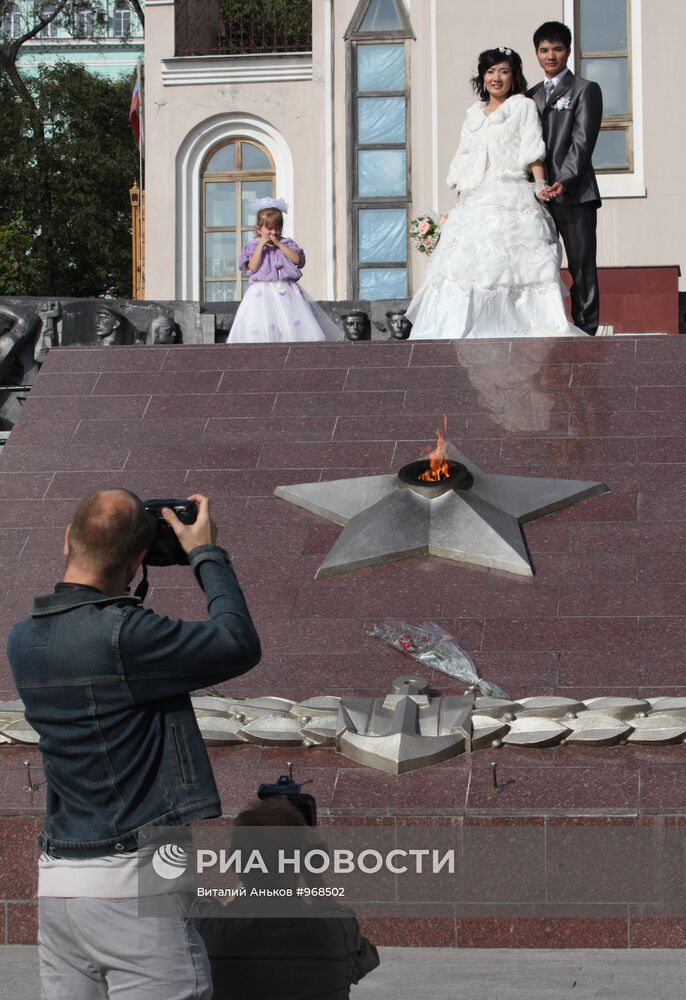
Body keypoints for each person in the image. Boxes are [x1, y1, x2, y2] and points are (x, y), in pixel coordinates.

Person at [7, 490, 261, 1000]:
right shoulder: (127, 636)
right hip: (133, 887)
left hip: (60, 885)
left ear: (66, 541)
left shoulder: (22, 639)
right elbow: (238, 642)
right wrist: (205, 553)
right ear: (139, 560)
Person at [407, 47, 582, 340]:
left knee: (513, 269)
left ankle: (512, 330)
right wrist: (459, 204)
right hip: (475, 199)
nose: (496, 78)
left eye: (503, 71)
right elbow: (465, 159)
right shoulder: (473, 114)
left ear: (513, 76)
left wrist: (540, 185)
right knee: (464, 269)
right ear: (482, 77)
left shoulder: (522, 107)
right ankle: (460, 332)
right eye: (490, 72)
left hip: (511, 192)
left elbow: (532, 149)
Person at [193, 799, 380, 1000]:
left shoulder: (204, 926)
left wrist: (250, 869)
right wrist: (313, 874)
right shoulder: (340, 930)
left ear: (233, 860)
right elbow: (366, 961)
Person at [529, 21, 603, 335]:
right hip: (539, 198)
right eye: (544, 50)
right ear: (536, 53)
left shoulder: (585, 90)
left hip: (575, 194)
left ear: (568, 51)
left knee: (581, 266)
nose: (551, 55)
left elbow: (582, 141)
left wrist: (566, 179)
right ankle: (550, 327)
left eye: (557, 49)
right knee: (540, 268)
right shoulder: (528, 95)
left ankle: (586, 330)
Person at [229, 197, 343, 344]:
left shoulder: (286, 243)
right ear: (259, 229)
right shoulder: (253, 246)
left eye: (277, 228)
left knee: (290, 323)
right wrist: (261, 245)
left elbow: (297, 260)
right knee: (262, 325)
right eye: (269, 229)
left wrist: (278, 244)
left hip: (285, 290)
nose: (274, 232)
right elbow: (253, 267)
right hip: (261, 292)